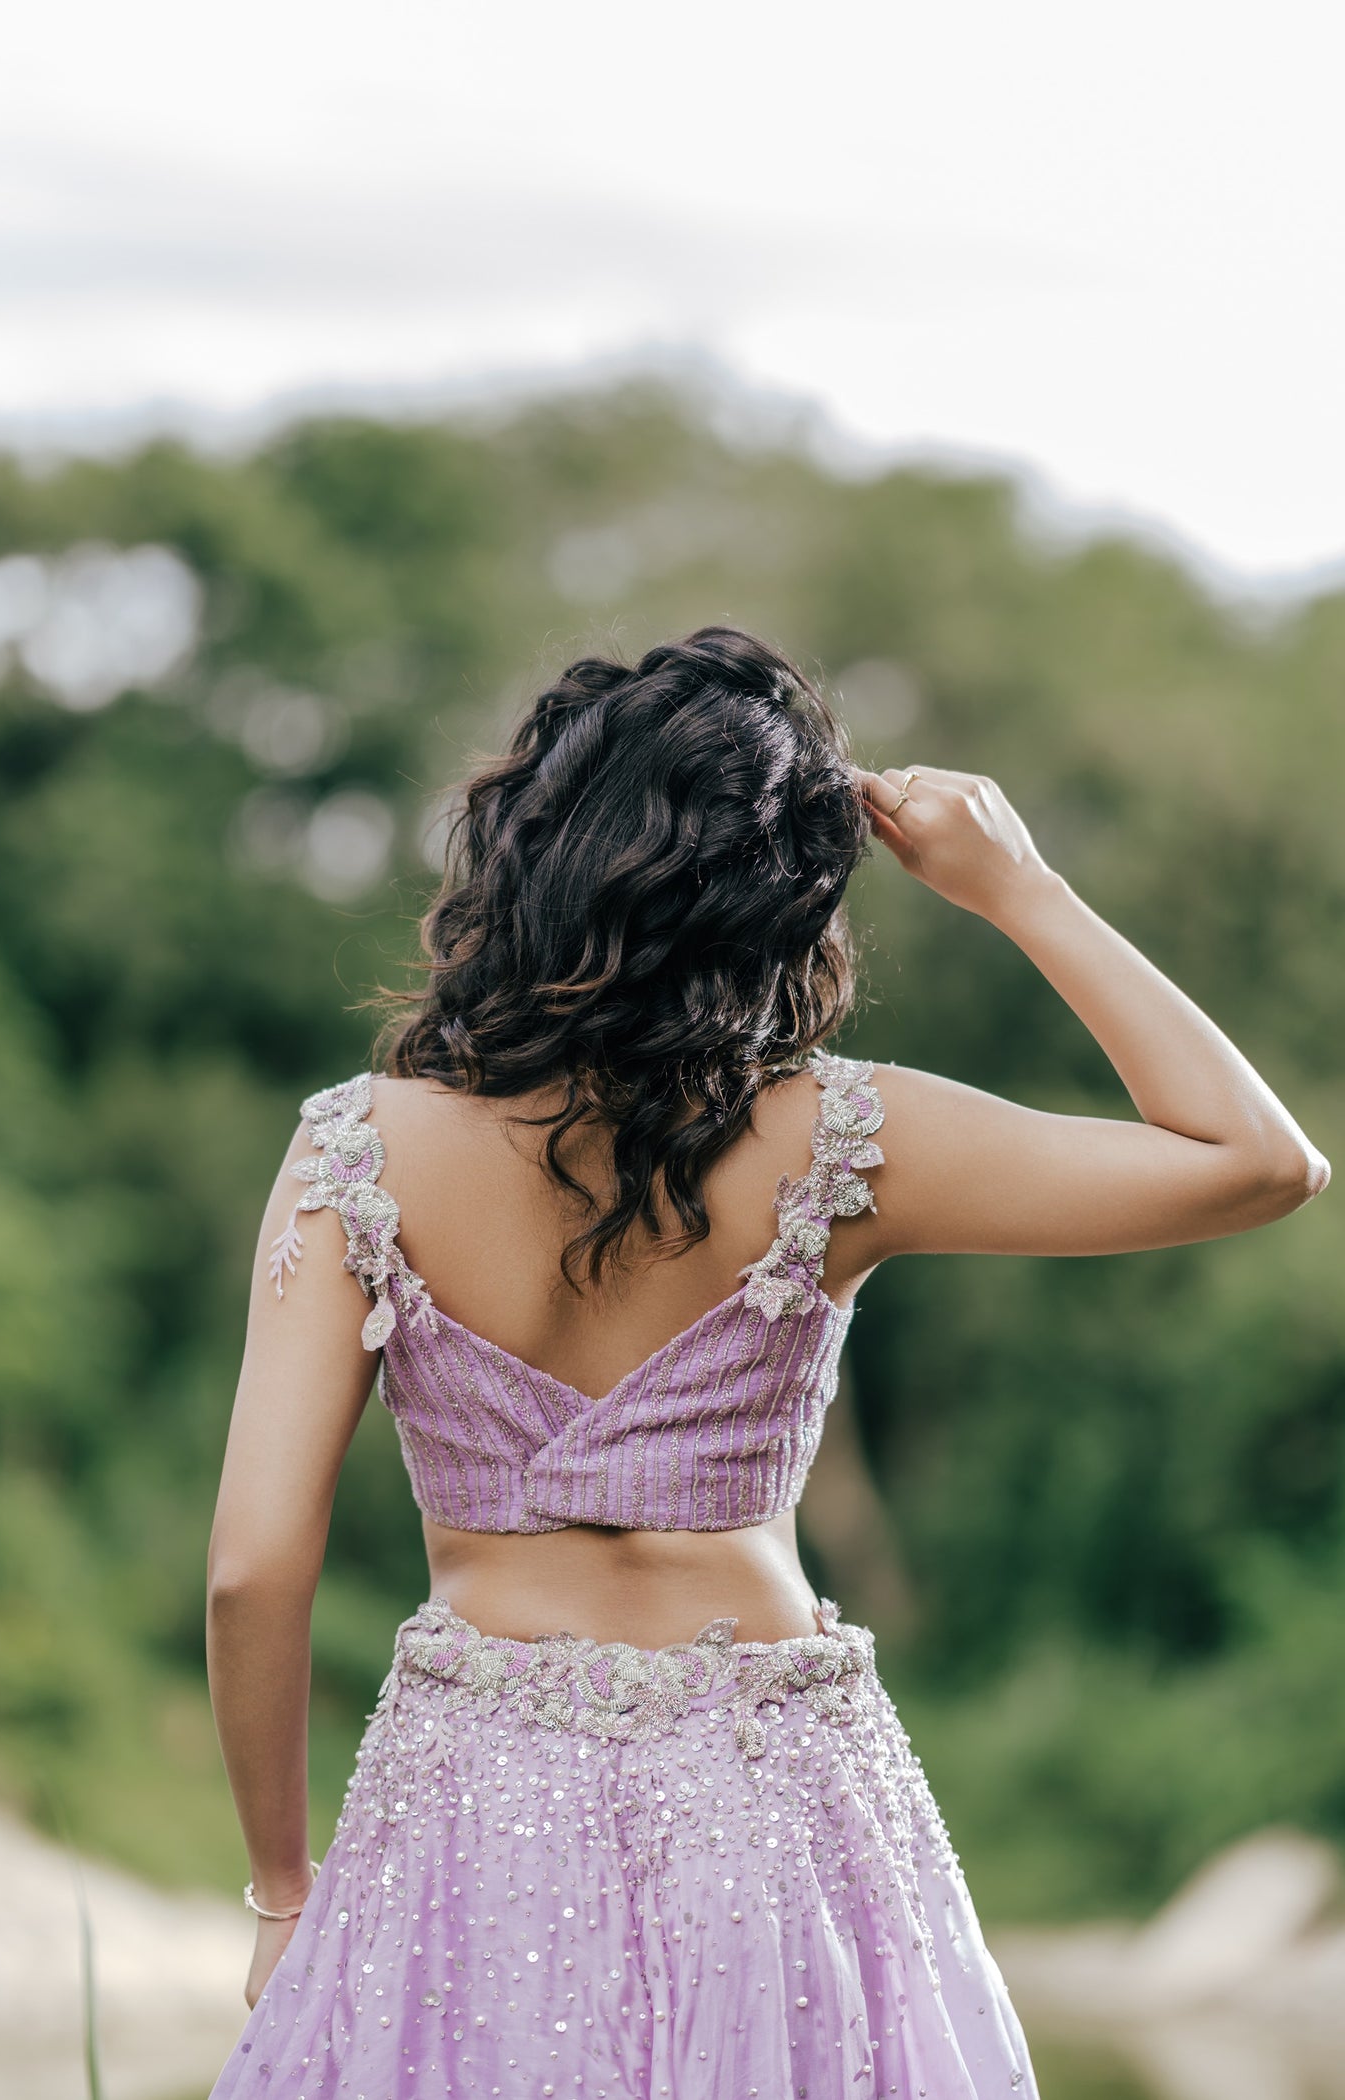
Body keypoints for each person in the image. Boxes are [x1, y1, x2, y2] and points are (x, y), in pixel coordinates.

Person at [205, 627, 1327, 2099]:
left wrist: (285, 1890)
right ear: (786, 896)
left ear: (531, 851)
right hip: (776, 1804)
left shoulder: (352, 1149)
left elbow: (250, 1569)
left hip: (475, 1800)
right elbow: (1258, 1163)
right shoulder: (850, 1141)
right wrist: (1018, 887)